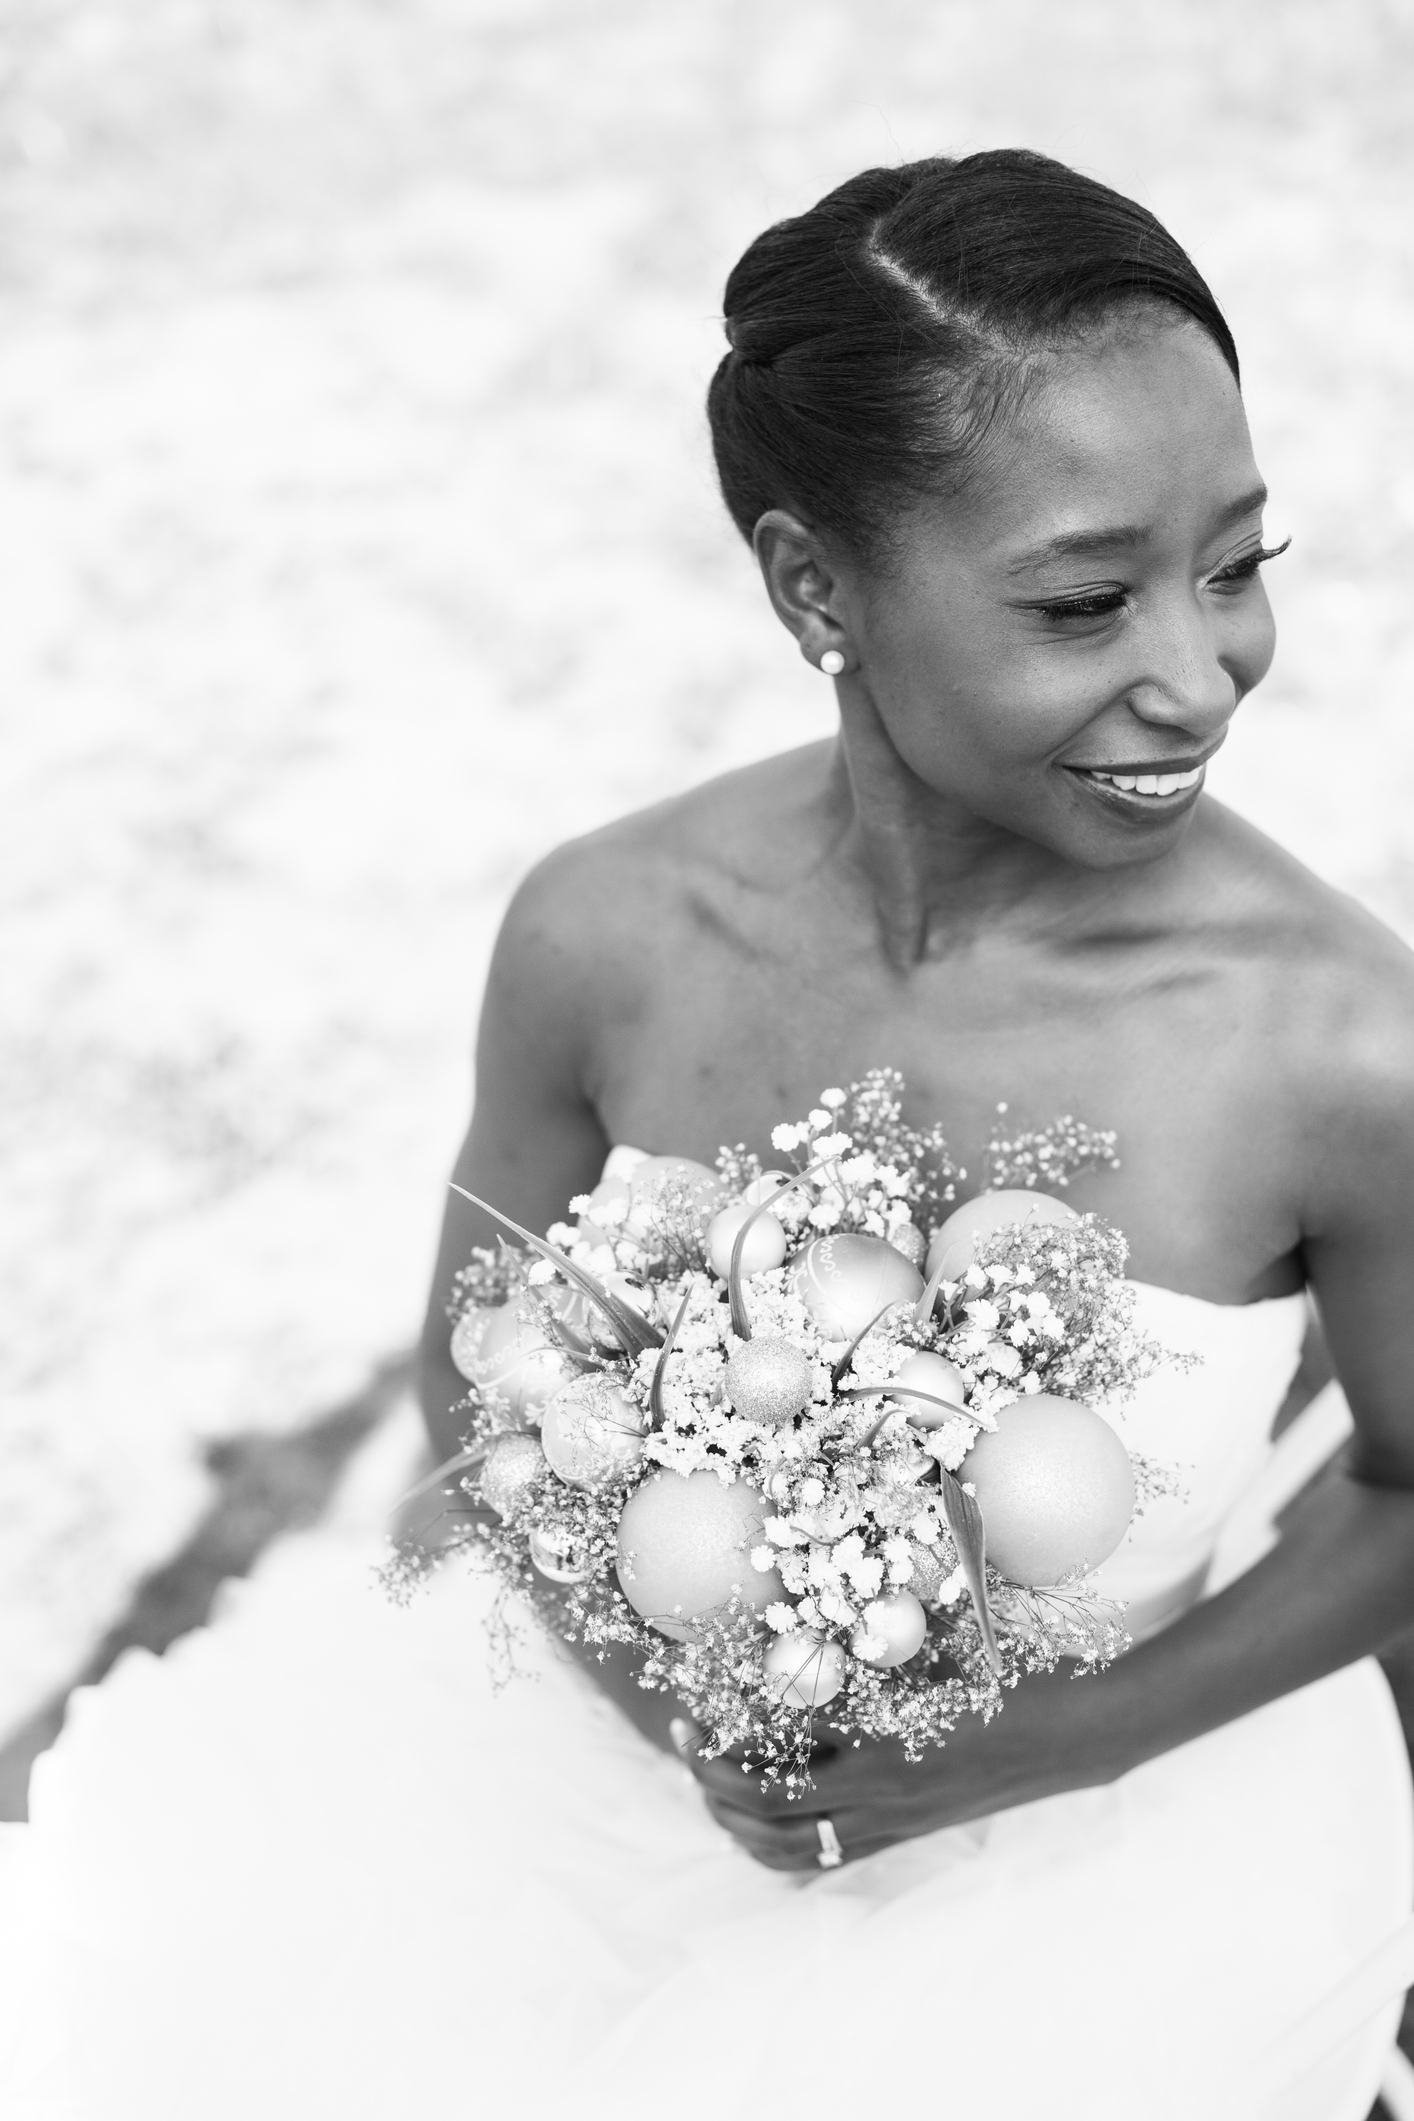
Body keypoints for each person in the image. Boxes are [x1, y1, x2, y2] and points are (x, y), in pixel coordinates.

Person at [4, 149, 1412, 2121]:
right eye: (1085, 597)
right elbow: (469, 1359)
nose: (1195, 672)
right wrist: (669, 1694)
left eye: (1240, 561)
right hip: (582, 1776)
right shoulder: (604, 930)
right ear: (810, 582)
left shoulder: (1342, 1048)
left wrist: (1003, 1756)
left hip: (1099, 1846)